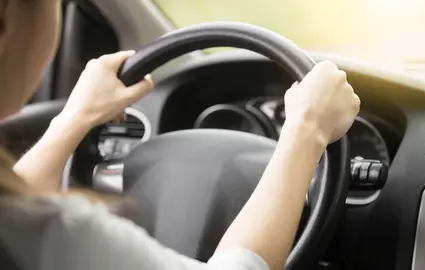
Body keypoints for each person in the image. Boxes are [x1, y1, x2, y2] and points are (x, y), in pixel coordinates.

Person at [0, 1, 360, 270]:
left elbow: (17, 202)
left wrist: (74, 119)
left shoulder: (22, 228)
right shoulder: (57, 234)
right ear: (7, 23)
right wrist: (306, 131)